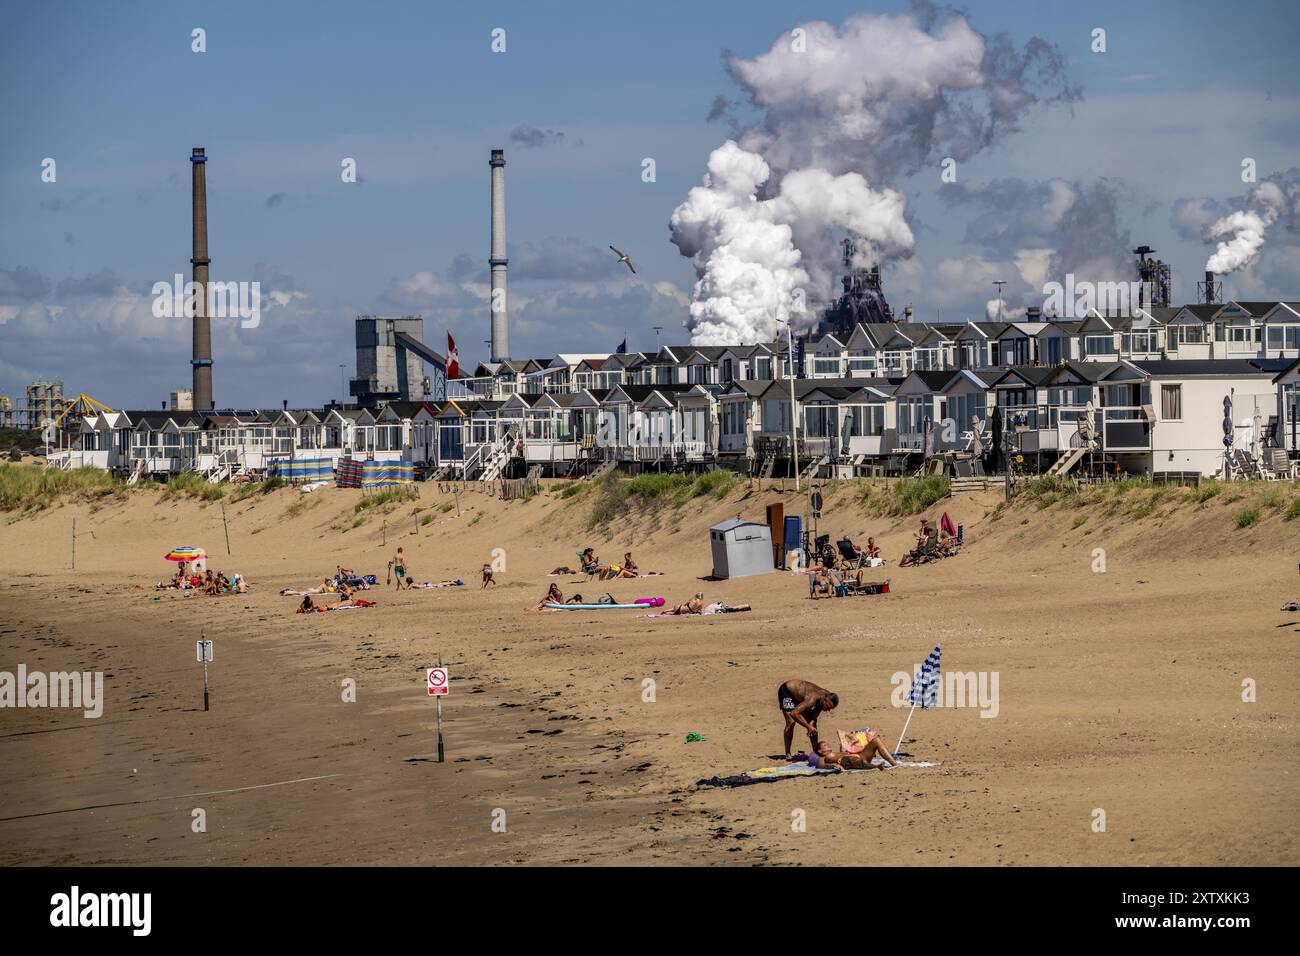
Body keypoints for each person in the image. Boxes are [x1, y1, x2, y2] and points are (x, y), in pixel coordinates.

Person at [777, 679, 839, 759]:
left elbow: (812, 718)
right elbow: (794, 713)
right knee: (791, 722)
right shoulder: (812, 699)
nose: (828, 710)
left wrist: (811, 726)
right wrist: (808, 727)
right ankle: (788, 753)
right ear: (824, 700)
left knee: (813, 723)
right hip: (787, 691)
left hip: (800, 697)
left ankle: (815, 751)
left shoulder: (825, 697)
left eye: (831, 708)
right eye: (828, 707)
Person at [815, 737, 898, 770]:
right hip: (849, 762)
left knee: (876, 740)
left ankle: (894, 764)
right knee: (847, 759)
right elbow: (821, 765)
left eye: (827, 744)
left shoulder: (837, 752)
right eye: (825, 745)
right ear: (820, 751)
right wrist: (833, 766)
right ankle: (876, 767)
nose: (828, 745)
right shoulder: (822, 758)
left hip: (860, 756)